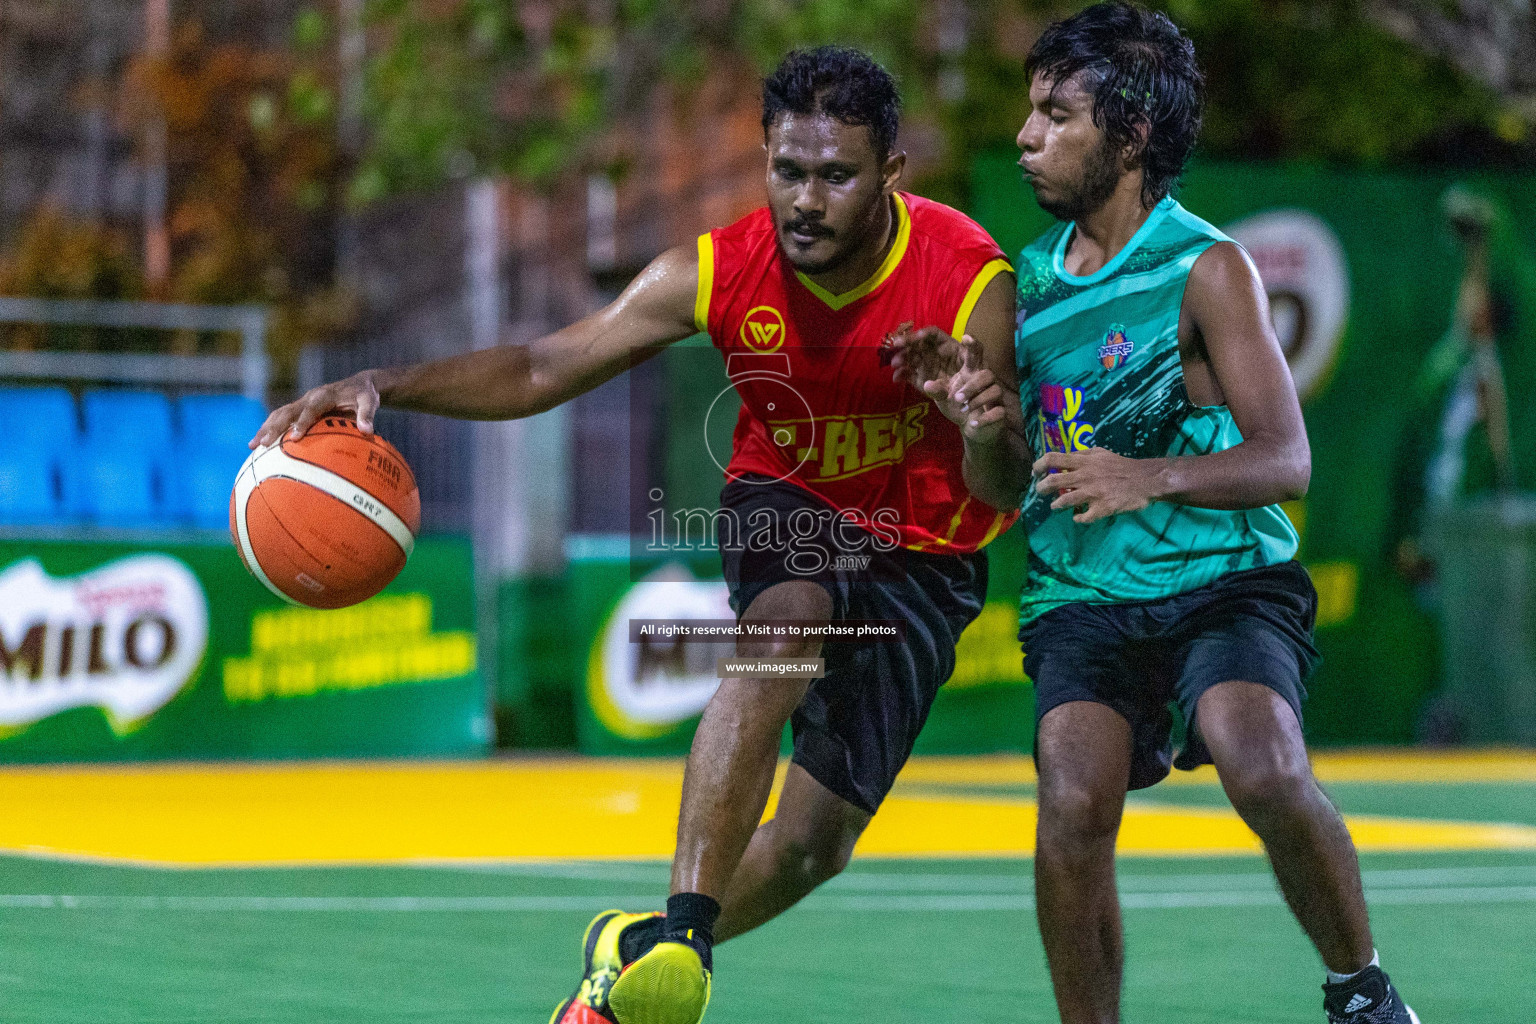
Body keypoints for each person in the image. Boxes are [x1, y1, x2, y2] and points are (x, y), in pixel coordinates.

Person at [252, 46, 1025, 1024]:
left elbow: (1005, 488)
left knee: (809, 849)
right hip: (786, 500)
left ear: (891, 175)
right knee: (784, 623)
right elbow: (543, 366)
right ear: (765, 161)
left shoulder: (968, 280)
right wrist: (385, 385)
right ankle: (688, 941)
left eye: (837, 174)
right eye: (789, 170)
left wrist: (985, 423)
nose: (807, 198)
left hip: (926, 551)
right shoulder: (717, 270)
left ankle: (632, 953)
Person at [971, 4, 1420, 1022]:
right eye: (1028, 112)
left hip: (1225, 582)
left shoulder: (1209, 269)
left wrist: (1146, 475)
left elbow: (1288, 458)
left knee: (1258, 759)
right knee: (1072, 799)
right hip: (1083, 593)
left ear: (1127, 137)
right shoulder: (1021, 287)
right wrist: (983, 422)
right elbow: (1002, 486)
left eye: (1054, 114)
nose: (1024, 135)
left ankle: (1364, 991)